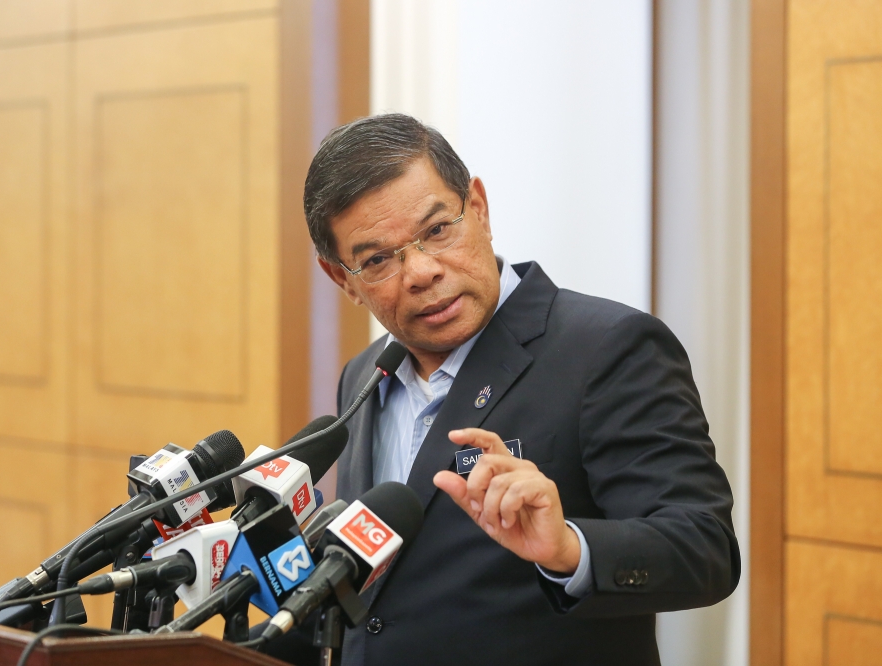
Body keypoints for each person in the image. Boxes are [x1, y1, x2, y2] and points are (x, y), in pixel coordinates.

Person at [267, 113, 739, 665]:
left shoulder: (609, 348)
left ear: (480, 209)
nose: (420, 272)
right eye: (377, 260)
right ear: (342, 278)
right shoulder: (363, 376)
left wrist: (569, 548)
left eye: (438, 230)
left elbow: (705, 550)